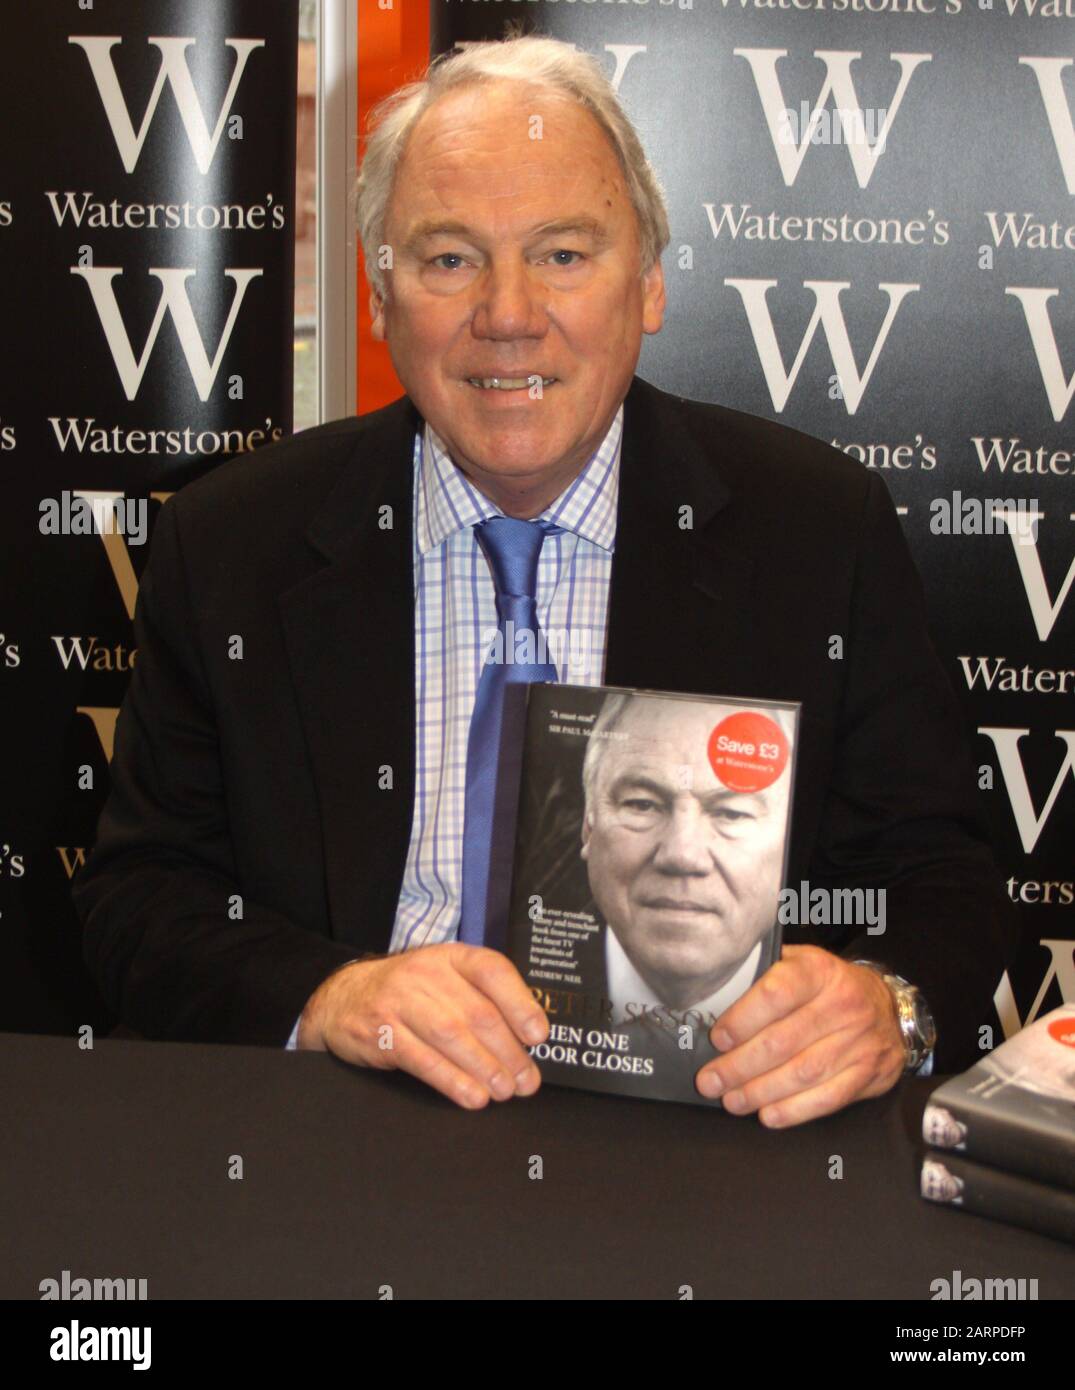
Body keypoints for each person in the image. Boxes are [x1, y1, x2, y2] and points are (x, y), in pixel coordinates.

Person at [72, 32, 1019, 1127]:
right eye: (447, 258)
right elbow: (138, 900)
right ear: (382, 296)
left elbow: (941, 874)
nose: (508, 313)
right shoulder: (229, 540)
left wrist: (885, 1001)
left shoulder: (819, 530)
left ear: (651, 284)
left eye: (564, 254)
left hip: (695, 1144)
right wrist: (333, 996)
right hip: (343, 1126)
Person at [578, 692, 791, 1031]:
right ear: (589, 827)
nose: (682, 855)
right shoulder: (505, 963)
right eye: (642, 805)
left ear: (786, 839)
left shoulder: (834, 996)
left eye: (732, 813)